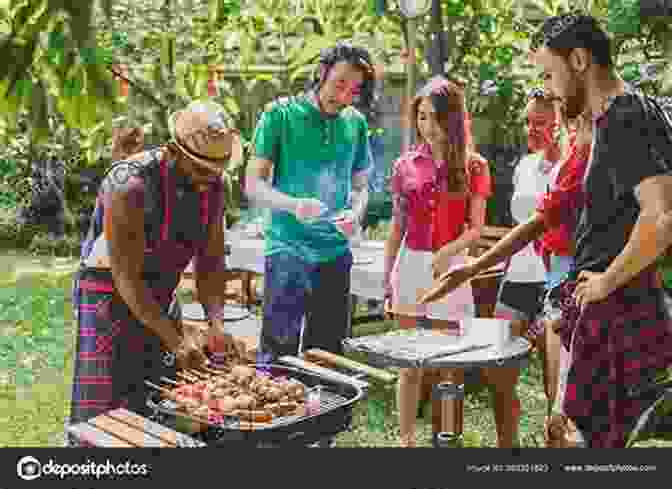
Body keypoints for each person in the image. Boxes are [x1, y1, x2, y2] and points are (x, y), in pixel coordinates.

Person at [422, 14, 672, 448]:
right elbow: (550, 217)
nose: (550, 88)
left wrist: (607, 280)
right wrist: (476, 266)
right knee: (578, 435)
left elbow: (662, 215)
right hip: (602, 309)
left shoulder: (626, 117)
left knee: (585, 441)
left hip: (618, 309)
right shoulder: (614, 122)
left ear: (578, 60)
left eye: (550, 74)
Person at [67, 101, 244, 444]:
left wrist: (216, 323)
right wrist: (176, 338)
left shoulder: (215, 186)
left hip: (161, 290)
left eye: (219, 169)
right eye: (203, 169)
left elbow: (210, 261)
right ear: (175, 152)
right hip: (110, 293)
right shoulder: (128, 184)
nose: (212, 178)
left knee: (159, 390)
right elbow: (127, 277)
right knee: (106, 406)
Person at [383, 76, 518, 447]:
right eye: (422, 117)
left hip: (452, 269)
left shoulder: (475, 166)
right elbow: (397, 229)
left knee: (449, 363)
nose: (428, 126)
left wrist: (445, 254)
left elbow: (476, 230)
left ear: (453, 119)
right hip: (410, 266)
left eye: (436, 117)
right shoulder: (404, 165)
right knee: (408, 361)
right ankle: (406, 440)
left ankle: (447, 439)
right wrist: (387, 278)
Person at [245, 42, 373, 367]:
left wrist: (355, 214)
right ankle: (279, 416)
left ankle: (327, 419)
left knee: (328, 354)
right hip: (289, 248)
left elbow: (361, 188)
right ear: (321, 73)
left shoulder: (355, 123)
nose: (343, 96)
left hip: (335, 252)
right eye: (339, 83)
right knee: (279, 352)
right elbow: (253, 184)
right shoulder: (279, 115)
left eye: (354, 90)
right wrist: (293, 205)